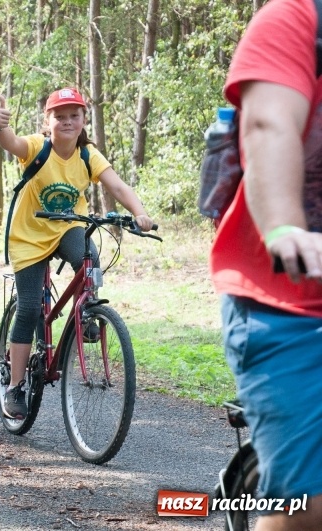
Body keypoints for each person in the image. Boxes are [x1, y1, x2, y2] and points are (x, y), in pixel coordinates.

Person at [211, 0, 322, 527]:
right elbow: (268, 124)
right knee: (311, 504)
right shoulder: (297, 18)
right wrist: (284, 227)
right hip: (291, 305)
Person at [0, 88, 153, 420]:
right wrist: (0, 126)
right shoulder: (37, 147)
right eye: (60, 116)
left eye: (74, 116)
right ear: (47, 121)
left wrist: (139, 212)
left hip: (67, 228)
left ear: (83, 120)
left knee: (89, 260)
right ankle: (15, 386)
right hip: (30, 235)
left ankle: (87, 313)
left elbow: (117, 185)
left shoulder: (87, 155)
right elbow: (11, 143)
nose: (67, 122)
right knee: (29, 307)